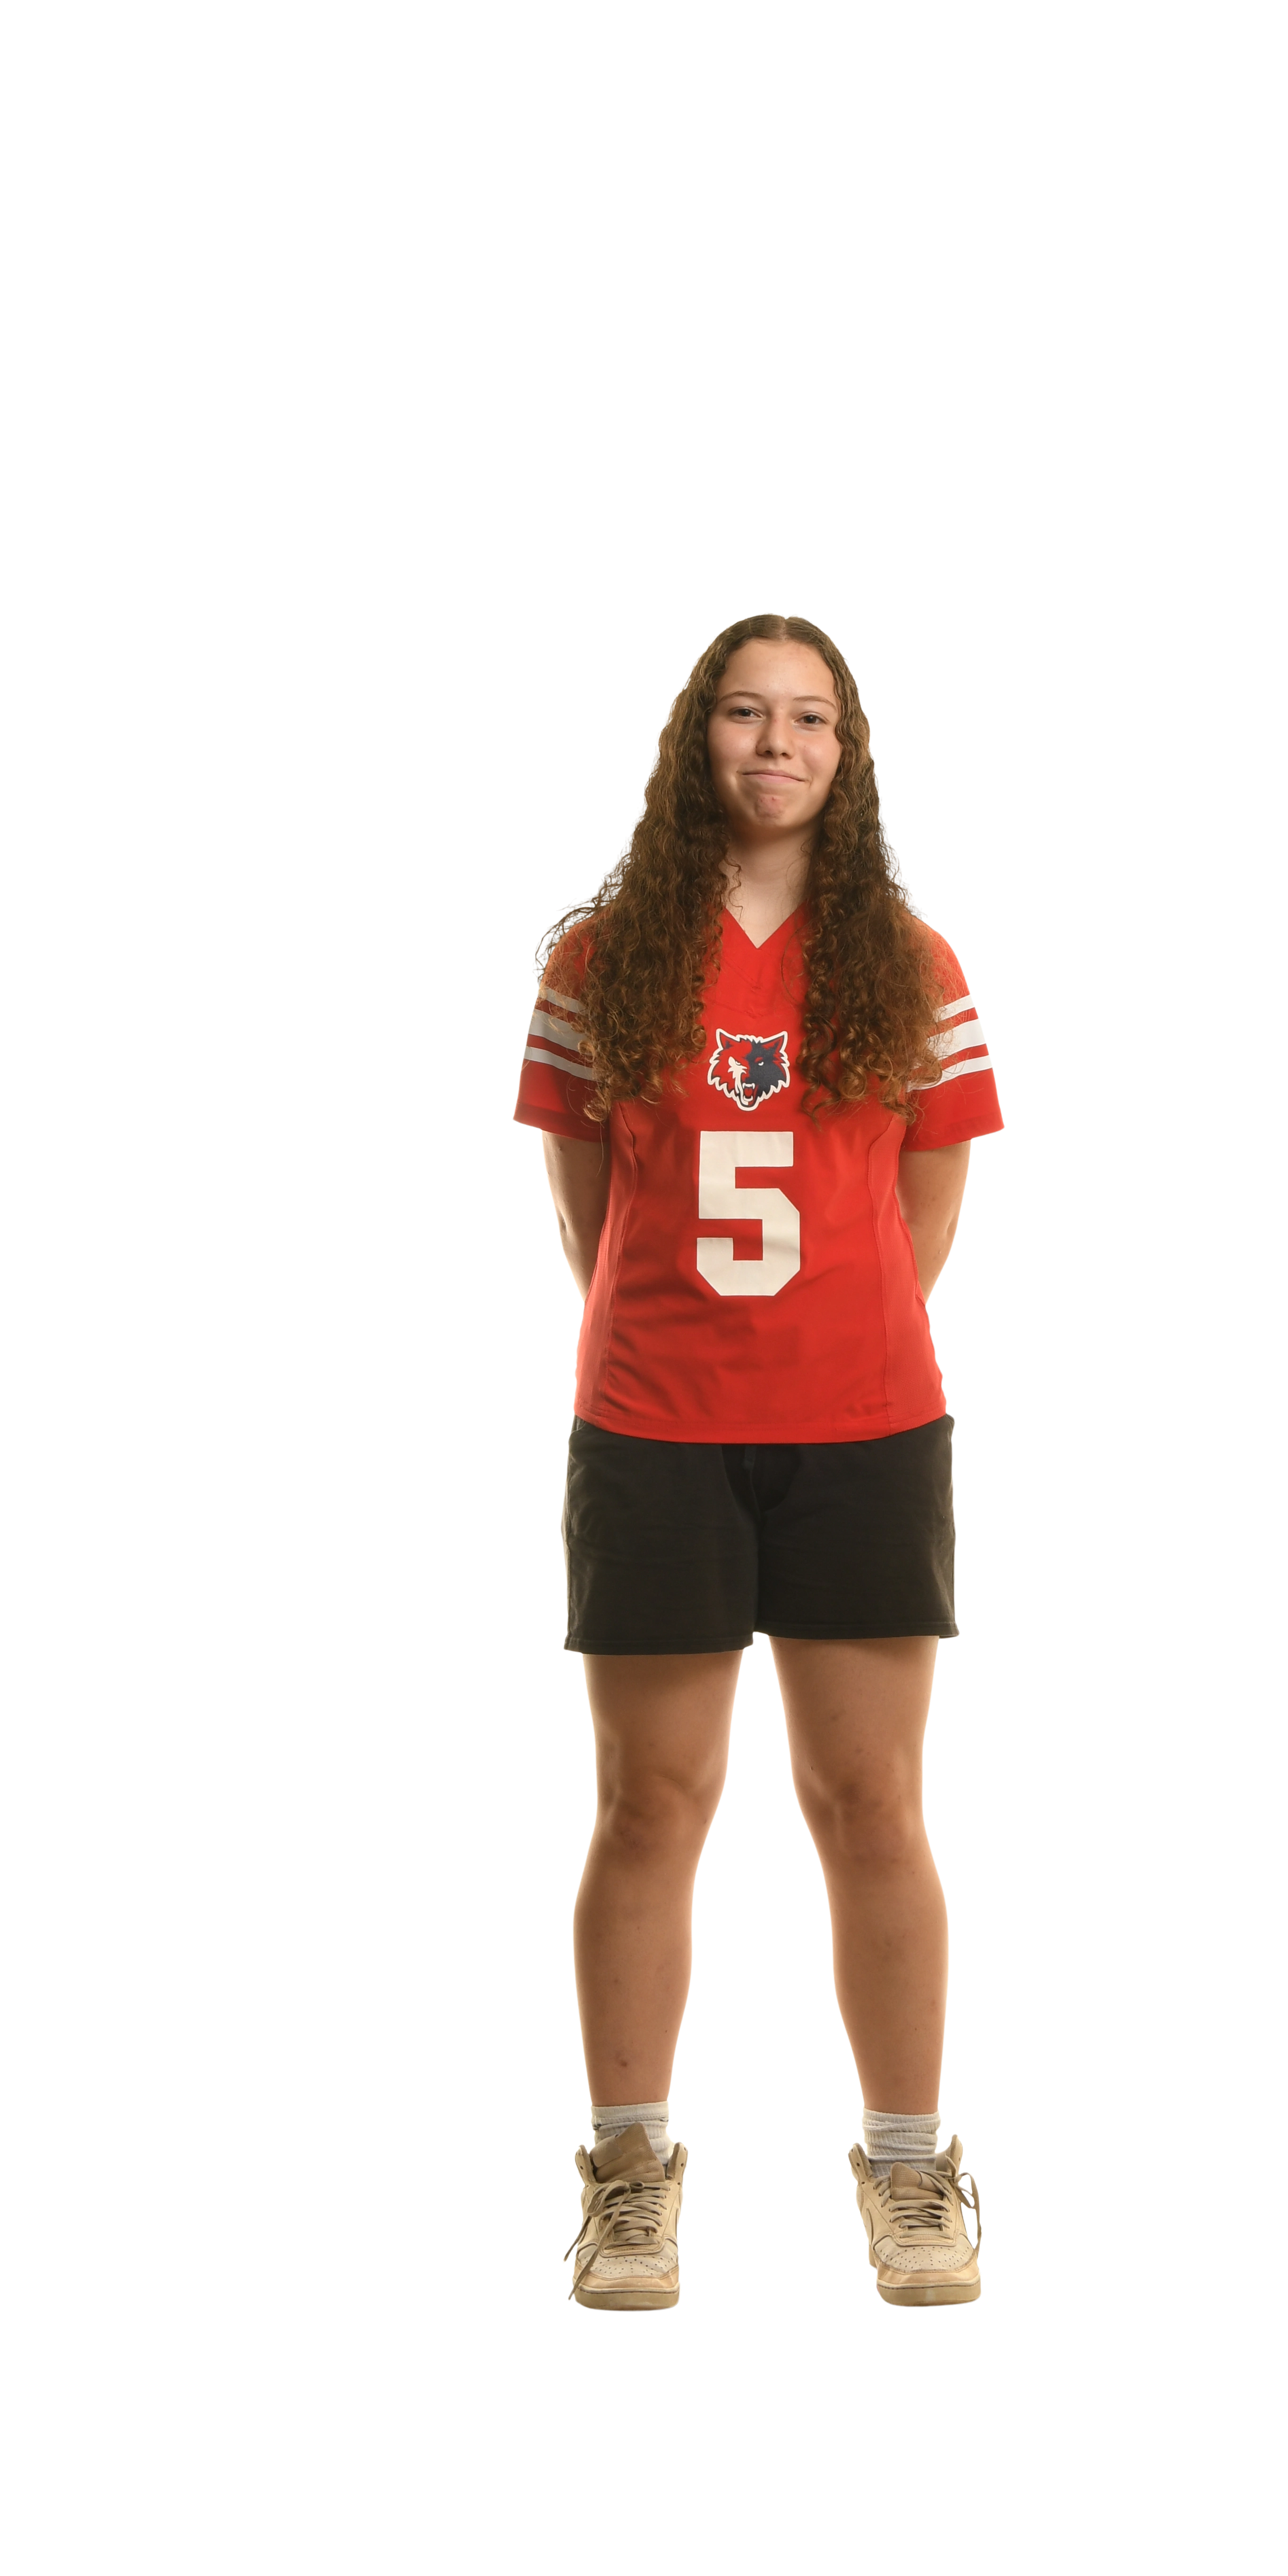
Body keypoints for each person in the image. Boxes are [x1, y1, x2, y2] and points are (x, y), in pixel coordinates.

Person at [514, 613, 1003, 2309]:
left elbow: (928, 1206)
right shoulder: (602, 959)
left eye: (808, 718)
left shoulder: (911, 962)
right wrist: (690, 1352)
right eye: (743, 711)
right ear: (695, 736)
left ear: (848, 753)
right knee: (650, 1803)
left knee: (872, 1803)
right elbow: (588, 1214)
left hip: (866, 1431)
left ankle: (911, 2174)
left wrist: (828, 1346)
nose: (775, 743)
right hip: (654, 1431)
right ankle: (629, 2176)